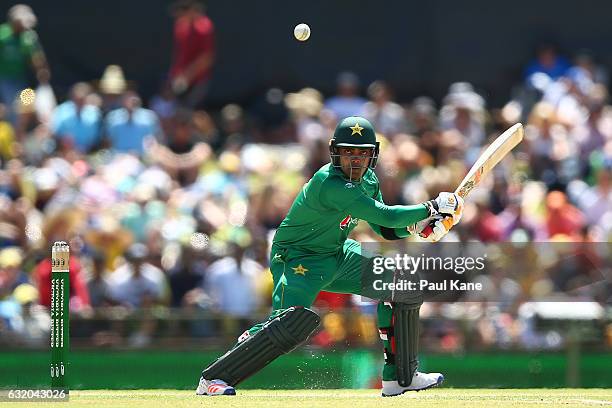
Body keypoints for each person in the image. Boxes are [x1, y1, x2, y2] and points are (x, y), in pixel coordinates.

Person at [195, 116, 464, 397]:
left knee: (403, 282)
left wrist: (419, 228)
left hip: (337, 255)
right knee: (290, 324)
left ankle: (400, 377)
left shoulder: (369, 180)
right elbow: (386, 215)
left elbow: (383, 228)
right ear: (335, 152)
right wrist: (432, 207)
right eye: (349, 152)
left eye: (362, 152)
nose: (356, 160)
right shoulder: (329, 183)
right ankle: (214, 378)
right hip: (299, 260)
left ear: (374, 154)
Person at [0, 4, 50, 125]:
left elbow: (37, 60)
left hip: (22, 79)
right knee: (13, 108)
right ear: (13, 22)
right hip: (5, 79)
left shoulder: (28, 37)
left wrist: (41, 73)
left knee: (27, 105)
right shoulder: (2, 34)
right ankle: (13, 135)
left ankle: (23, 132)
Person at [169, 0, 215, 108]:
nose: (179, 16)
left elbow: (207, 58)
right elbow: (180, 54)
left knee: (190, 112)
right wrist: (175, 75)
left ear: (191, 11)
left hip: (197, 81)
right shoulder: (180, 26)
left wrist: (186, 76)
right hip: (178, 79)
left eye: (183, 12)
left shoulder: (204, 27)